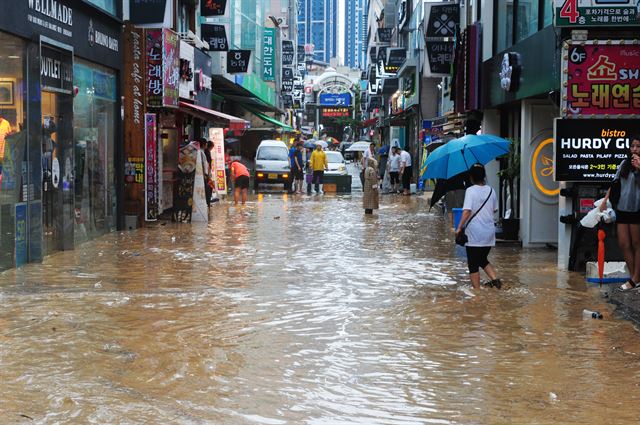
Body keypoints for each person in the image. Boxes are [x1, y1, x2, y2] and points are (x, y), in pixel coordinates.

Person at [600, 134, 640, 290]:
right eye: (632, 146)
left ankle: (636, 278)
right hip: (622, 208)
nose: (635, 149)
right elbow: (614, 183)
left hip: (637, 209)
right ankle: (634, 277)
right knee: (624, 243)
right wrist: (605, 201)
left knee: (637, 244)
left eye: (638, 146)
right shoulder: (624, 163)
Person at [455, 163, 501, 290]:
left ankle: (477, 293)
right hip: (489, 233)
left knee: (473, 263)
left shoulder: (470, 191)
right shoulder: (492, 190)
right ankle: (496, 281)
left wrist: (459, 227)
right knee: (482, 258)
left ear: (471, 177)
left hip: (475, 233)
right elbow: (495, 210)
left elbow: (466, 211)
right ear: (483, 176)